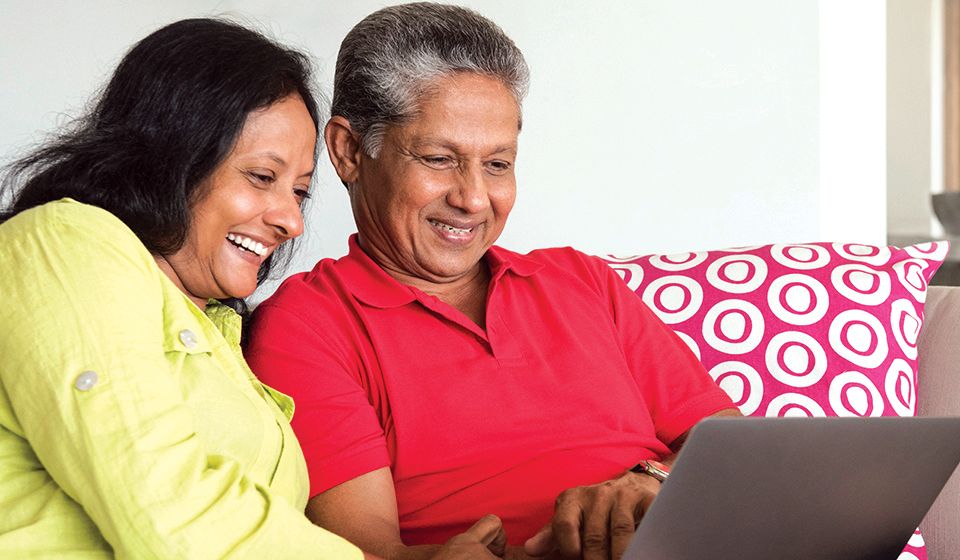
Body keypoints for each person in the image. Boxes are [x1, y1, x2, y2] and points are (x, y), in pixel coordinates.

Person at [245, 4, 739, 560]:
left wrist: (651, 482)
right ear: (350, 151)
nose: (474, 199)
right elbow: (363, 547)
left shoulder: (581, 280)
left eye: (498, 164)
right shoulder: (309, 324)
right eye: (438, 158)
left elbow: (734, 448)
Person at [0, 17, 506, 559]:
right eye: (262, 177)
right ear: (170, 156)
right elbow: (170, 510)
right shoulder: (67, 242)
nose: (291, 221)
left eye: (300, 192)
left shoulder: (221, 332)